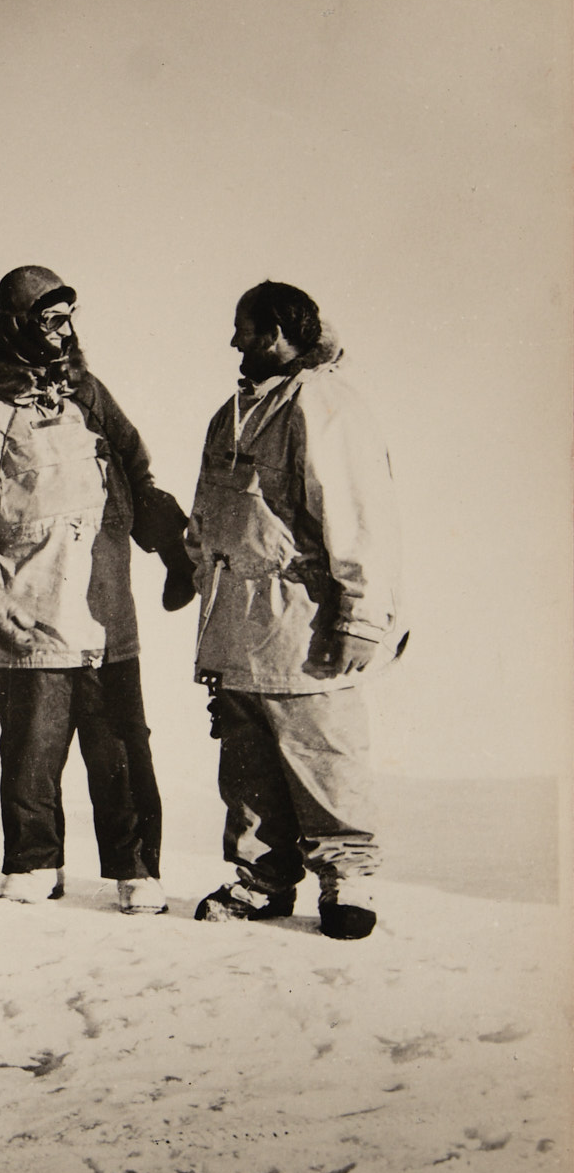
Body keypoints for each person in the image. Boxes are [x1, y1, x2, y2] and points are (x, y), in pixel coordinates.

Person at [0, 266, 194, 913]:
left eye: (69, 317)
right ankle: (33, 861)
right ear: (17, 323)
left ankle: (135, 869)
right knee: (31, 750)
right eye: (49, 319)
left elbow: (137, 469)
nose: (64, 331)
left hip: (106, 612)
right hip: (30, 611)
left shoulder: (89, 396)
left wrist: (177, 553)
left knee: (122, 750)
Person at [187, 281, 406, 941]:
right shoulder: (237, 410)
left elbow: (358, 513)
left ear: (278, 333)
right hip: (237, 623)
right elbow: (215, 509)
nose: (234, 341)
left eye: (244, 328)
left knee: (323, 752)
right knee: (248, 767)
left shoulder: (322, 403)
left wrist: (361, 616)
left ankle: (349, 878)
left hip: (303, 623)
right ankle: (263, 878)